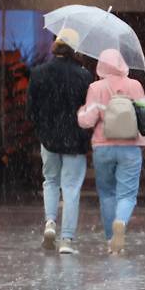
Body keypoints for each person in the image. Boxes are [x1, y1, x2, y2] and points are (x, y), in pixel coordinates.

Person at [26, 29, 93, 254]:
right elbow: (88, 110)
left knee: (50, 181)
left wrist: (43, 129)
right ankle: (66, 240)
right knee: (71, 188)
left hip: (49, 140)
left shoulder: (38, 73)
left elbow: (31, 110)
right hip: (75, 140)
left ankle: (50, 223)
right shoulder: (84, 76)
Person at [77, 49, 145, 255]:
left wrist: (81, 111)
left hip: (103, 147)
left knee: (107, 194)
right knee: (127, 195)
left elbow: (87, 120)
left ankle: (111, 240)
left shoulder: (96, 87)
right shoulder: (134, 85)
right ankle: (121, 222)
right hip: (131, 146)